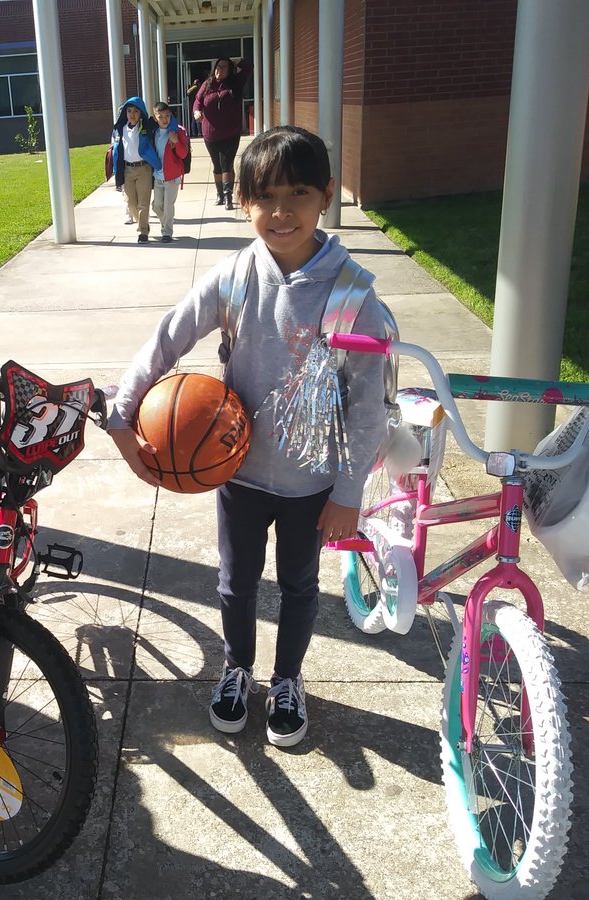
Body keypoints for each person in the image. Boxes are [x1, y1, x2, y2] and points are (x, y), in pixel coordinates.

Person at [109, 127, 391, 749]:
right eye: (265, 196)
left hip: (310, 482)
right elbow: (168, 337)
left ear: (324, 198)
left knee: (298, 585)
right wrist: (122, 412)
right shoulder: (235, 278)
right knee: (235, 584)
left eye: (298, 193)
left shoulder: (353, 296)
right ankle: (237, 669)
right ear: (242, 202)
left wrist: (348, 492)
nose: (282, 211)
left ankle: (286, 679)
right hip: (234, 472)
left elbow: (369, 408)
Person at [193, 57, 247, 209]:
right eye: (217, 67)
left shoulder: (235, 83)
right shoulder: (207, 84)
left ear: (229, 70)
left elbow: (248, 68)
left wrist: (237, 62)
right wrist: (197, 111)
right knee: (217, 165)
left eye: (224, 67)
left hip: (230, 133)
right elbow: (198, 100)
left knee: (227, 165)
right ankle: (220, 194)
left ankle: (228, 196)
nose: (219, 70)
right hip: (210, 134)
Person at [109, 97, 162, 243]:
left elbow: (166, 121)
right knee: (131, 203)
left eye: (136, 111)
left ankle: (143, 232)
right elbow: (116, 150)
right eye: (129, 111)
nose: (132, 114)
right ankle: (143, 223)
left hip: (143, 168)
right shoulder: (120, 129)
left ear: (141, 113)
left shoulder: (147, 126)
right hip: (127, 170)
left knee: (143, 203)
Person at [150, 102, 189, 243]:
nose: (164, 119)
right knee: (156, 206)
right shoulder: (153, 133)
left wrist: (176, 141)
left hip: (172, 176)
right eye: (160, 117)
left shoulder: (177, 131)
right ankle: (165, 223)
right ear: (155, 118)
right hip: (158, 175)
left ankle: (167, 232)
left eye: (167, 116)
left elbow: (184, 154)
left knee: (168, 206)